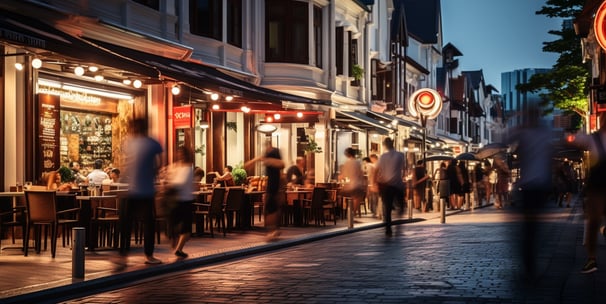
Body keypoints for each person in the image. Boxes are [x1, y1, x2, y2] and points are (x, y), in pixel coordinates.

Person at [506, 105, 553, 280]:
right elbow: (551, 154)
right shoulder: (545, 132)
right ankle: (531, 262)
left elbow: (506, 139)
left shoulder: (523, 132)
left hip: (528, 186)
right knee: (533, 227)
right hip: (540, 185)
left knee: (527, 228)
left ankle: (528, 264)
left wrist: (516, 120)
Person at [567, 111, 606, 273]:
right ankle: (591, 259)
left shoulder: (594, 138)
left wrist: (570, 137)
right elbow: (574, 140)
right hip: (598, 185)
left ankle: (591, 259)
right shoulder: (593, 138)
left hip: (597, 185)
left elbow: (573, 139)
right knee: (593, 221)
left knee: (593, 221)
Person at [120, 118, 163, 264]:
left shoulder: (131, 143)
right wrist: (154, 172)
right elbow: (159, 162)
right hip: (142, 189)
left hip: (138, 189)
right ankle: (147, 255)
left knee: (128, 222)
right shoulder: (151, 143)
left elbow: (127, 162)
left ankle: (124, 255)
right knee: (146, 223)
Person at [244, 140, 285, 240]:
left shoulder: (273, 156)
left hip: (273, 186)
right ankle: (273, 230)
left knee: (271, 208)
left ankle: (273, 230)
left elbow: (281, 165)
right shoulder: (270, 159)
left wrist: (264, 160)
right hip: (272, 186)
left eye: (266, 148)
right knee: (271, 208)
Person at [164, 146, 194, 258]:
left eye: (181, 153)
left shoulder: (182, 167)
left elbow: (178, 182)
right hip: (181, 200)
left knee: (183, 227)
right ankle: (178, 248)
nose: (180, 155)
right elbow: (172, 179)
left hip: (181, 200)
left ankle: (178, 248)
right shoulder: (181, 167)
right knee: (184, 228)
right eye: (179, 152)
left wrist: (169, 183)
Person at [375, 137, 405, 236]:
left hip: (386, 185)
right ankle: (397, 222)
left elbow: (376, 170)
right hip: (397, 184)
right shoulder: (400, 155)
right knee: (401, 206)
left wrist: (375, 182)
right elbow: (404, 169)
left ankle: (388, 228)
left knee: (387, 208)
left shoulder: (382, 157)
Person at [340, 148, 365, 218]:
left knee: (348, 197)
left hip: (349, 185)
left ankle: (350, 212)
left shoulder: (347, 163)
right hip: (357, 184)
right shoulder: (357, 162)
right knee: (357, 197)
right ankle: (353, 213)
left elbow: (344, 175)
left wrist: (342, 178)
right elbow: (361, 173)